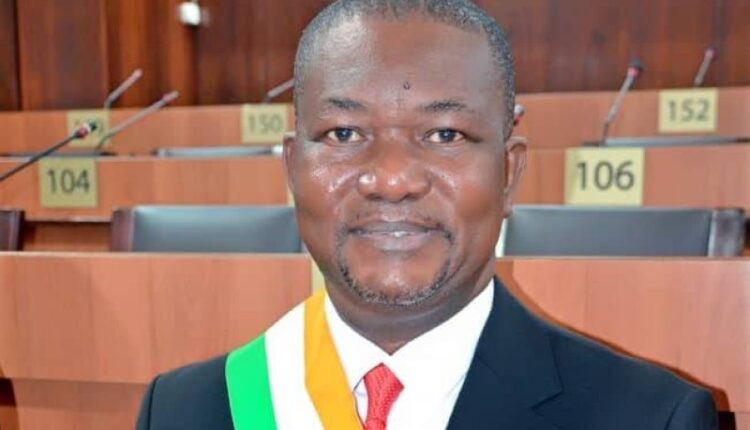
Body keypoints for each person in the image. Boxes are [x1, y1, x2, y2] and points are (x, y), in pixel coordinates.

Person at [136, 1, 718, 429]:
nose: (392, 179)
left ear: (509, 173)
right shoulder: (183, 412)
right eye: (344, 133)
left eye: (445, 134)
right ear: (292, 168)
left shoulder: (649, 418)